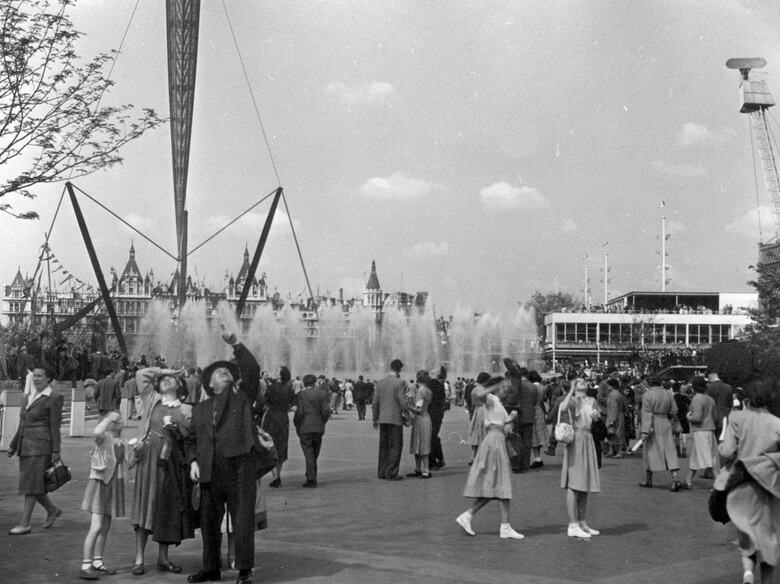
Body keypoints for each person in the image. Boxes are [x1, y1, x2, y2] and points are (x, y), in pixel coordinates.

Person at [186, 330, 260, 584]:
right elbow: (191, 440)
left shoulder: (242, 397)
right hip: (209, 469)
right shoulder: (200, 410)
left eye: (227, 371)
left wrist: (237, 344)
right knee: (208, 522)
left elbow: (252, 369)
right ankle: (210, 568)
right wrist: (193, 460)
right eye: (219, 373)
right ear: (210, 385)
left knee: (242, 520)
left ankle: (244, 570)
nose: (224, 373)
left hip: (239, 465)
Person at [130, 366, 193, 575]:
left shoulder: (186, 408)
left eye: (171, 379)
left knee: (164, 508)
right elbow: (141, 375)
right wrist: (167, 370)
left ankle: (163, 557)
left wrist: (177, 427)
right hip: (149, 459)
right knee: (144, 505)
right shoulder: (152, 399)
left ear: (179, 385)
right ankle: (139, 557)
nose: (166, 380)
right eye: (163, 379)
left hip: (171, 463)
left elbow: (189, 436)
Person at [719, 378, 780, 584]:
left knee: (746, 532)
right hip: (768, 486)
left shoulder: (737, 417)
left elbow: (727, 451)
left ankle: (747, 574)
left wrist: (722, 453)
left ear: (747, 397)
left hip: (741, 483)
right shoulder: (776, 423)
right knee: (768, 536)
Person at [455, 376, 524, 540]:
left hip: (497, 440)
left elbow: (504, 428)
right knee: (501, 483)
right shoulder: (491, 399)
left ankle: (469, 515)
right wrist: (494, 387)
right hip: (494, 443)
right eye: (505, 387)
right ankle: (504, 526)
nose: (507, 389)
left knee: (497, 484)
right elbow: (477, 393)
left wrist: (511, 418)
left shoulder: (498, 403)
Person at [7, 365, 64, 535]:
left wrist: (56, 451)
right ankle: (52, 510)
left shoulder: (54, 398)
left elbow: (55, 426)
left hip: (41, 447)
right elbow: (23, 423)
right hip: (26, 446)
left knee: (31, 485)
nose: (36, 379)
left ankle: (25, 523)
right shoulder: (29, 397)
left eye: (40, 376)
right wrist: (13, 444)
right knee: (32, 484)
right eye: (35, 376)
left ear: (49, 379)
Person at [78, 410, 127, 580]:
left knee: (105, 527)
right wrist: (108, 419)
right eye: (115, 418)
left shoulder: (120, 441)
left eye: (120, 417)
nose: (118, 420)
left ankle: (97, 561)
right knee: (96, 526)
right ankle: (85, 564)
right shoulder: (103, 436)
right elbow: (97, 431)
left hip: (112, 485)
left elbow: (126, 464)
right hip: (100, 485)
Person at [560, 378, 601, 539]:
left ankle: (582, 522)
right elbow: (563, 408)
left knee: (584, 483)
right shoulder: (572, 400)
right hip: (576, 439)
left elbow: (596, 420)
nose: (582, 382)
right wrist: (570, 390)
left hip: (588, 438)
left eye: (584, 381)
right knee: (574, 483)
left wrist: (597, 417)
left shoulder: (592, 400)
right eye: (578, 382)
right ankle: (572, 524)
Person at [638, 375, 683, 491]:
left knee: (650, 450)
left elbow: (647, 414)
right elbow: (674, 409)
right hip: (666, 422)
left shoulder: (647, 395)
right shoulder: (668, 393)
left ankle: (648, 479)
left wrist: (645, 431)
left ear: (648, 383)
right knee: (669, 449)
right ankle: (675, 478)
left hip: (653, 424)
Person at [372, 359, 410, 481]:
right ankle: (392, 472)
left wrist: (375, 418)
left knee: (384, 446)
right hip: (395, 419)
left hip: (383, 419)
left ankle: (382, 472)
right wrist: (407, 415)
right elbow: (402, 401)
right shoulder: (400, 383)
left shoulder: (381, 382)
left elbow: (375, 403)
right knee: (395, 446)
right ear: (399, 369)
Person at [294, 374, 331, 487]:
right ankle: (311, 473)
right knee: (314, 452)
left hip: (305, 426)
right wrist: (322, 422)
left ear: (304, 383)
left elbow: (299, 412)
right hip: (318, 427)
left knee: (309, 452)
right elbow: (326, 412)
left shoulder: (300, 394)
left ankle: (311, 478)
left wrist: (297, 424)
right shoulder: (322, 394)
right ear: (315, 383)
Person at [261, 366, 295, 488]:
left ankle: (275, 476)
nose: (274, 372)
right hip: (283, 419)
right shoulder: (289, 389)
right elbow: (292, 404)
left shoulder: (271, 388)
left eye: (276, 371)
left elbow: (264, 402)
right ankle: (277, 475)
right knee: (281, 446)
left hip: (271, 418)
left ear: (280, 375)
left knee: (270, 446)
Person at [684, 376, 718, 488]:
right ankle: (688, 480)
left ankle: (719, 485)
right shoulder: (710, 399)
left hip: (700, 430)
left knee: (708, 458)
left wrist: (689, 417)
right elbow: (715, 417)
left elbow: (697, 418)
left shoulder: (697, 399)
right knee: (699, 456)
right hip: (710, 429)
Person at [407, 370, 433, 479]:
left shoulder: (420, 392)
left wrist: (408, 406)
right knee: (421, 444)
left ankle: (425, 470)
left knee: (420, 444)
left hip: (420, 419)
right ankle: (419, 469)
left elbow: (418, 409)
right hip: (427, 418)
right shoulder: (428, 391)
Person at [468, 373, 490, 464]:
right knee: (483, 433)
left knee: (475, 434)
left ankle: (472, 456)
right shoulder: (483, 390)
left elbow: (472, 404)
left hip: (476, 411)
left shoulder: (474, 389)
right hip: (483, 410)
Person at [427, 367, 448, 470]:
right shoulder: (438, 385)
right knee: (433, 437)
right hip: (436, 415)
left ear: (438, 373)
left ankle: (433, 462)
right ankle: (439, 459)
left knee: (431, 437)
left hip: (432, 414)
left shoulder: (432, 384)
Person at [706, 370, 733, 437]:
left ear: (710, 377)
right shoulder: (728, 387)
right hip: (724, 416)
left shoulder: (708, 388)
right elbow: (730, 403)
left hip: (711, 417)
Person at [605, 378, 626, 458]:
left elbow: (614, 408)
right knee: (616, 433)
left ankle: (618, 452)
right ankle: (613, 451)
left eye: (608, 386)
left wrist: (611, 421)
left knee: (616, 433)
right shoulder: (617, 394)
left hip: (614, 416)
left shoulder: (613, 395)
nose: (607, 387)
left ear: (612, 386)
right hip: (618, 415)